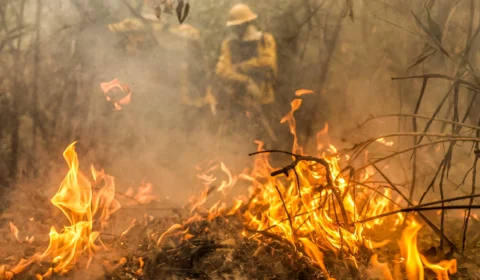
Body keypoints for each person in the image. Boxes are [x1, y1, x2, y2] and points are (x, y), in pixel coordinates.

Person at [215, 3, 279, 145]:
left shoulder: (264, 40)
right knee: (243, 142)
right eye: (235, 26)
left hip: (264, 98)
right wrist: (245, 80)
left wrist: (242, 67)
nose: (237, 29)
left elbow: (267, 62)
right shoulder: (229, 44)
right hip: (239, 100)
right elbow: (222, 70)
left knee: (268, 140)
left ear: (248, 23)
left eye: (240, 25)